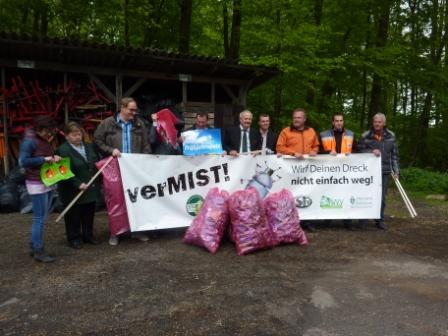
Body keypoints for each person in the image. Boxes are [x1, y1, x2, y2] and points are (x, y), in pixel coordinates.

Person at [94, 97, 151, 245]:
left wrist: (144, 161)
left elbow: (146, 145)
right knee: (116, 201)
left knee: (136, 199)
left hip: (134, 169)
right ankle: (116, 233)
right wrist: (110, 150)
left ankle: (137, 230)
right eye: (131, 109)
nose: (134, 112)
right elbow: (97, 141)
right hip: (115, 168)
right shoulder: (108, 123)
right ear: (122, 108)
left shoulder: (140, 124)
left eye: (135, 110)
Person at [19, 116, 61, 262]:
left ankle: (33, 244)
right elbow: (23, 161)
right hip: (36, 183)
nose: (49, 134)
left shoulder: (42, 139)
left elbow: (45, 156)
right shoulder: (29, 141)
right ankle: (38, 250)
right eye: (46, 131)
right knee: (39, 219)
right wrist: (44, 159)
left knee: (42, 217)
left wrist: (53, 158)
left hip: (46, 180)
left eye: (50, 131)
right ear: (39, 129)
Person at [57, 122, 101, 249]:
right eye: (74, 135)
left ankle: (88, 235)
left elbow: (94, 162)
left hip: (90, 186)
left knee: (88, 212)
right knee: (73, 215)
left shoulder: (88, 146)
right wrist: (77, 184)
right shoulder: (63, 150)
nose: (78, 137)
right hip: (72, 189)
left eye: (79, 134)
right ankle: (74, 238)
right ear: (66, 136)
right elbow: (63, 170)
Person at [276, 108, 320, 231]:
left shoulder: (311, 131)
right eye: (294, 117)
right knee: (290, 195)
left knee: (308, 193)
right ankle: (289, 221)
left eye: (299, 117)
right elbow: (279, 147)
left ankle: (307, 221)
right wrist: (293, 153)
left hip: (307, 171)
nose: (296, 119)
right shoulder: (286, 131)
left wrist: (314, 151)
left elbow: (316, 145)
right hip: (290, 171)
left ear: (304, 119)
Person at [357, 113, 399, 230]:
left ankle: (379, 219)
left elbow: (394, 155)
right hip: (368, 172)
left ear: (384, 123)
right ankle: (363, 219)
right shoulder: (365, 135)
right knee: (365, 195)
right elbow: (358, 150)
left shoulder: (391, 136)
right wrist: (371, 150)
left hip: (384, 171)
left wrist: (396, 170)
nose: (377, 124)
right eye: (375, 121)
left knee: (382, 197)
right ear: (372, 122)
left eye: (379, 122)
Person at [320, 113, 355, 230]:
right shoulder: (324, 134)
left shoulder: (350, 134)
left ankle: (348, 221)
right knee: (329, 194)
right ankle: (327, 219)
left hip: (346, 170)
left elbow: (358, 149)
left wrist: (353, 153)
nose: (339, 123)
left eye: (341, 120)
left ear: (343, 122)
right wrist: (327, 152)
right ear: (332, 122)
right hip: (329, 170)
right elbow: (317, 150)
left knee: (346, 194)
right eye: (336, 121)